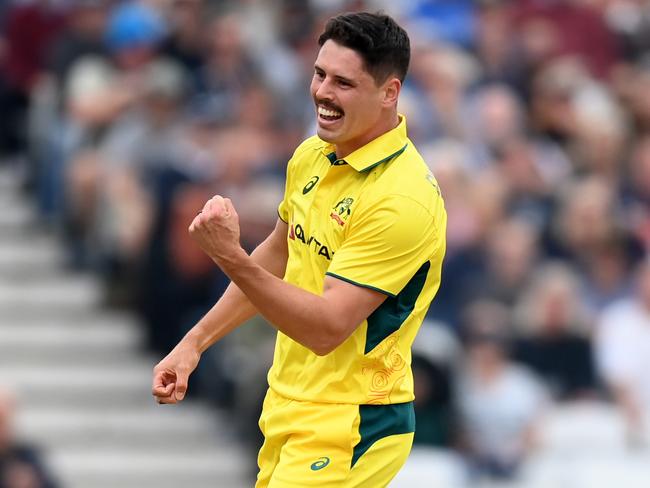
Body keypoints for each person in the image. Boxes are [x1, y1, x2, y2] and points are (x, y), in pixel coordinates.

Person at [152, 11, 447, 487]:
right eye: (319, 74)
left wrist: (228, 256)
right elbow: (280, 253)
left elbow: (327, 327)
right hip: (290, 406)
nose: (323, 93)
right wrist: (194, 343)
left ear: (389, 93)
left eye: (344, 83)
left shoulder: (402, 199)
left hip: (354, 423)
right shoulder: (314, 154)